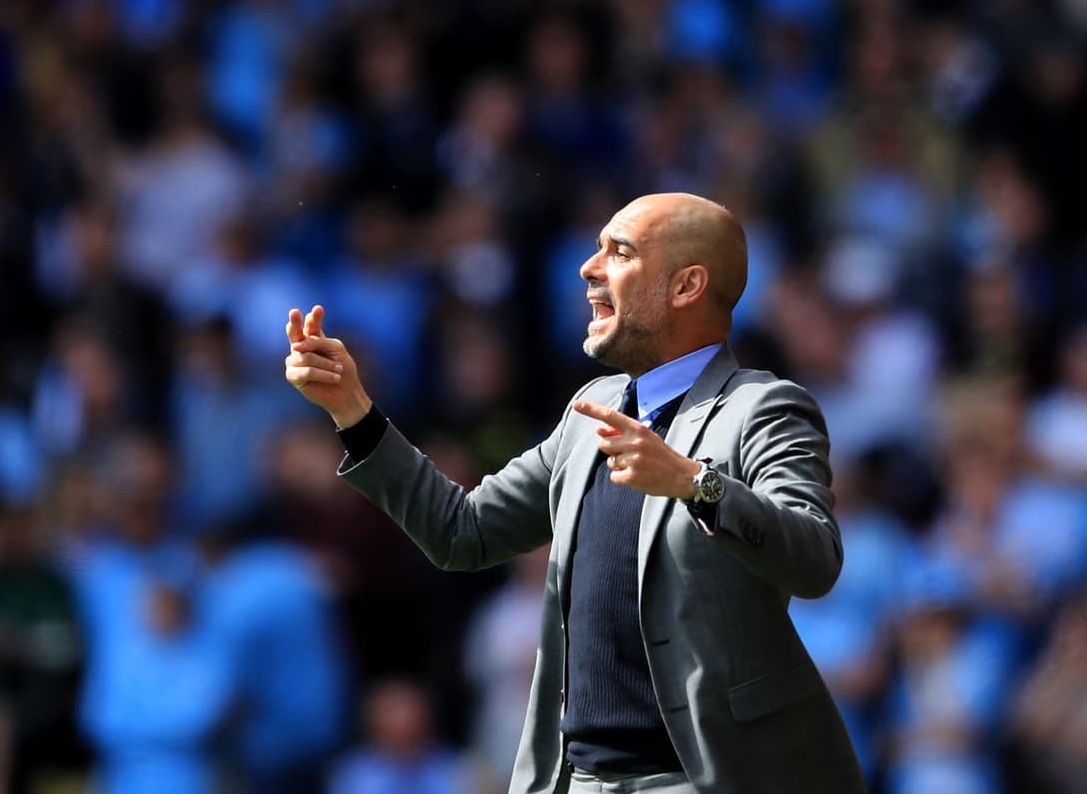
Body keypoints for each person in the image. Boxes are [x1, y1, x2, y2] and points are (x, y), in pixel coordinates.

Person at [284, 193, 865, 794]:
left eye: (620, 252)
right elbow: (462, 533)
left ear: (687, 285)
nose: (589, 268)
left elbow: (814, 559)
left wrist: (697, 484)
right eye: (596, 249)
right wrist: (354, 411)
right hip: (578, 780)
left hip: (702, 780)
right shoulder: (590, 413)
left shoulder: (763, 407)